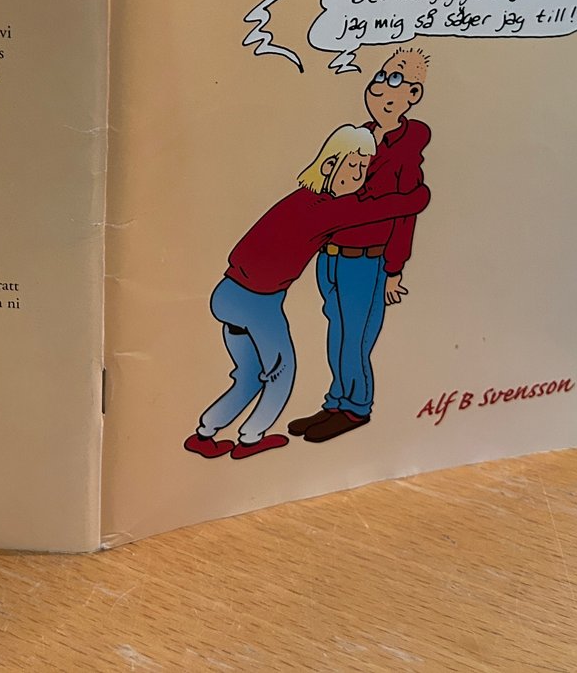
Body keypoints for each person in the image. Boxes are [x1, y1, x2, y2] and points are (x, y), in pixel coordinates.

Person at [185, 124, 432, 460]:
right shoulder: (327, 209)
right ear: (329, 165)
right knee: (280, 372)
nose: (358, 176)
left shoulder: (302, 197)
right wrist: (420, 196)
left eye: (363, 168)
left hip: (227, 294)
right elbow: (383, 209)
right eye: (353, 165)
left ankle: (205, 432)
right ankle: (251, 438)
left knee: (249, 375)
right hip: (258, 302)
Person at [289, 47, 432, 444]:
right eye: (381, 77)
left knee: (355, 337)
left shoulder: (405, 150)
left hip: (366, 260)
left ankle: (356, 407)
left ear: (414, 95)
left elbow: (406, 213)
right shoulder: (359, 137)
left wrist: (394, 268)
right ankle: (336, 401)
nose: (383, 87)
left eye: (397, 79)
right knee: (337, 332)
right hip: (331, 256)